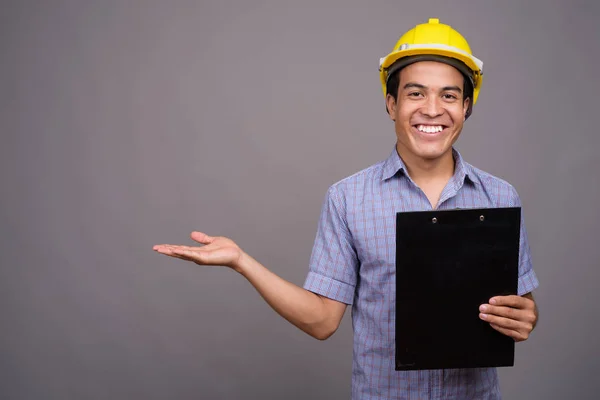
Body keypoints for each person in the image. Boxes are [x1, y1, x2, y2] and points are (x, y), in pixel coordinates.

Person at [153, 18, 539, 399]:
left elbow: (522, 306)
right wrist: (241, 261)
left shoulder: (500, 196)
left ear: (467, 107)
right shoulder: (348, 199)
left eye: (449, 95)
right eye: (416, 93)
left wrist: (525, 317)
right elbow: (322, 321)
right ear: (392, 103)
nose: (433, 109)